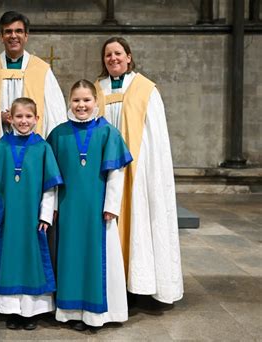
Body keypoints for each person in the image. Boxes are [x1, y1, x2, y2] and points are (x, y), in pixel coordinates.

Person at [94, 36, 183, 305]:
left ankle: (140, 284)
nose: (113, 58)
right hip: (103, 173)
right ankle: (110, 283)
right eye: (108, 55)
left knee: (140, 221)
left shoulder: (146, 89)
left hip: (138, 171)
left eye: (118, 53)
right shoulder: (96, 89)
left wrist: (146, 170)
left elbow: (157, 138)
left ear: (129, 57)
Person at [47, 80, 132, 330]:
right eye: (76, 100)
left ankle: (97, 314)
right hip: (68, 207)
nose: (81, 105)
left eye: (86, 100)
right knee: (69, 256)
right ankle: (72, 313)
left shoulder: (108, 132)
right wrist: (51, 207)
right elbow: (50, 176)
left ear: (96, 102)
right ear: (69, 102)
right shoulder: (58, 134)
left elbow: (116, 173)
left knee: (97, 257)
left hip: (98, 209)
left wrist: (111, 206)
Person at [0, 97, 63, 330]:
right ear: (10, 118)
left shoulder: (42, 147)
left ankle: (31, 311)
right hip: (7, 217)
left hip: (32, 218)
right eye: (19, 116)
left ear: (37, 119)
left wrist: (45, 215)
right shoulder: (1, 146)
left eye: (29, 116)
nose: (24, 121)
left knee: (32, 259)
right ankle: (11, 310)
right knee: (9, 257)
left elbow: (50, 186)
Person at [0, 10, 67, 146]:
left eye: (18, 31)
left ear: (26, 35)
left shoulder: (42, 70)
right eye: (8, 32)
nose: (13, 36)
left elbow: (56, 117)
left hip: (33, 150)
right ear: (1, 36)